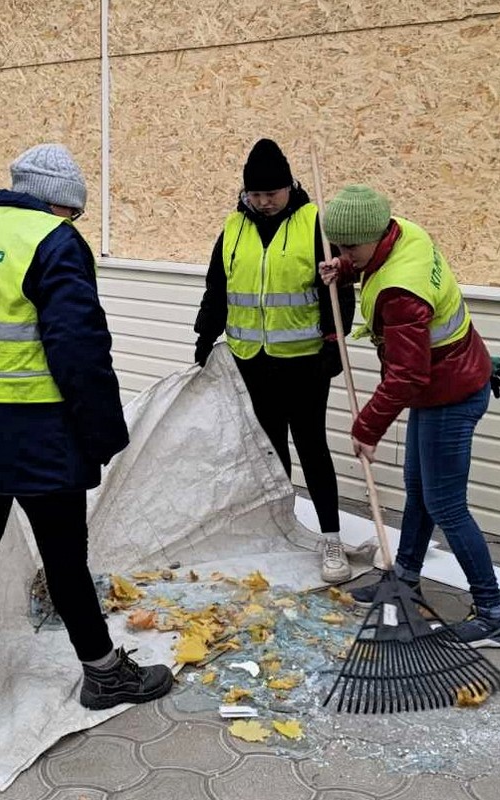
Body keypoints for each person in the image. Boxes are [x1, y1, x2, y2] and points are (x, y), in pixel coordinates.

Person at [0, 144, 174, 711]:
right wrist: (103, 432)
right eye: (76, 213)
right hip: (35, 430)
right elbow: (78, 349)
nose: (76, 223)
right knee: (63, 556)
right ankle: (104, 674)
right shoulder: (53, 242)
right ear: (61, 204)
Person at [318, 184, 500, 648]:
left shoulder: (400, 294)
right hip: (448, 383)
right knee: (420, 492)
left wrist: (367, 426)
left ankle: (493, 615)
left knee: (446, 504)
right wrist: (345, 268)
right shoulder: (405, 232)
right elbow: (376, 258)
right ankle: (404, 581)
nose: (344, 253)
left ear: (376, 233)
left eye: (349, 248)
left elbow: (408, 375)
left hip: (447, 393)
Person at [193, 139, 356, 583]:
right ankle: (280, 529)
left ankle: (331, 541)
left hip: (304, 362)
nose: (264, 203)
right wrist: (204, 337)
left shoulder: (314, 224)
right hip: (251, 359)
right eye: (256, 195)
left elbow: (339, 291)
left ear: (290, 187)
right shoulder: (233, 227)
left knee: (312, 447)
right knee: (268, 451)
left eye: (272, 194)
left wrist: (332, 343)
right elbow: (217, 289)